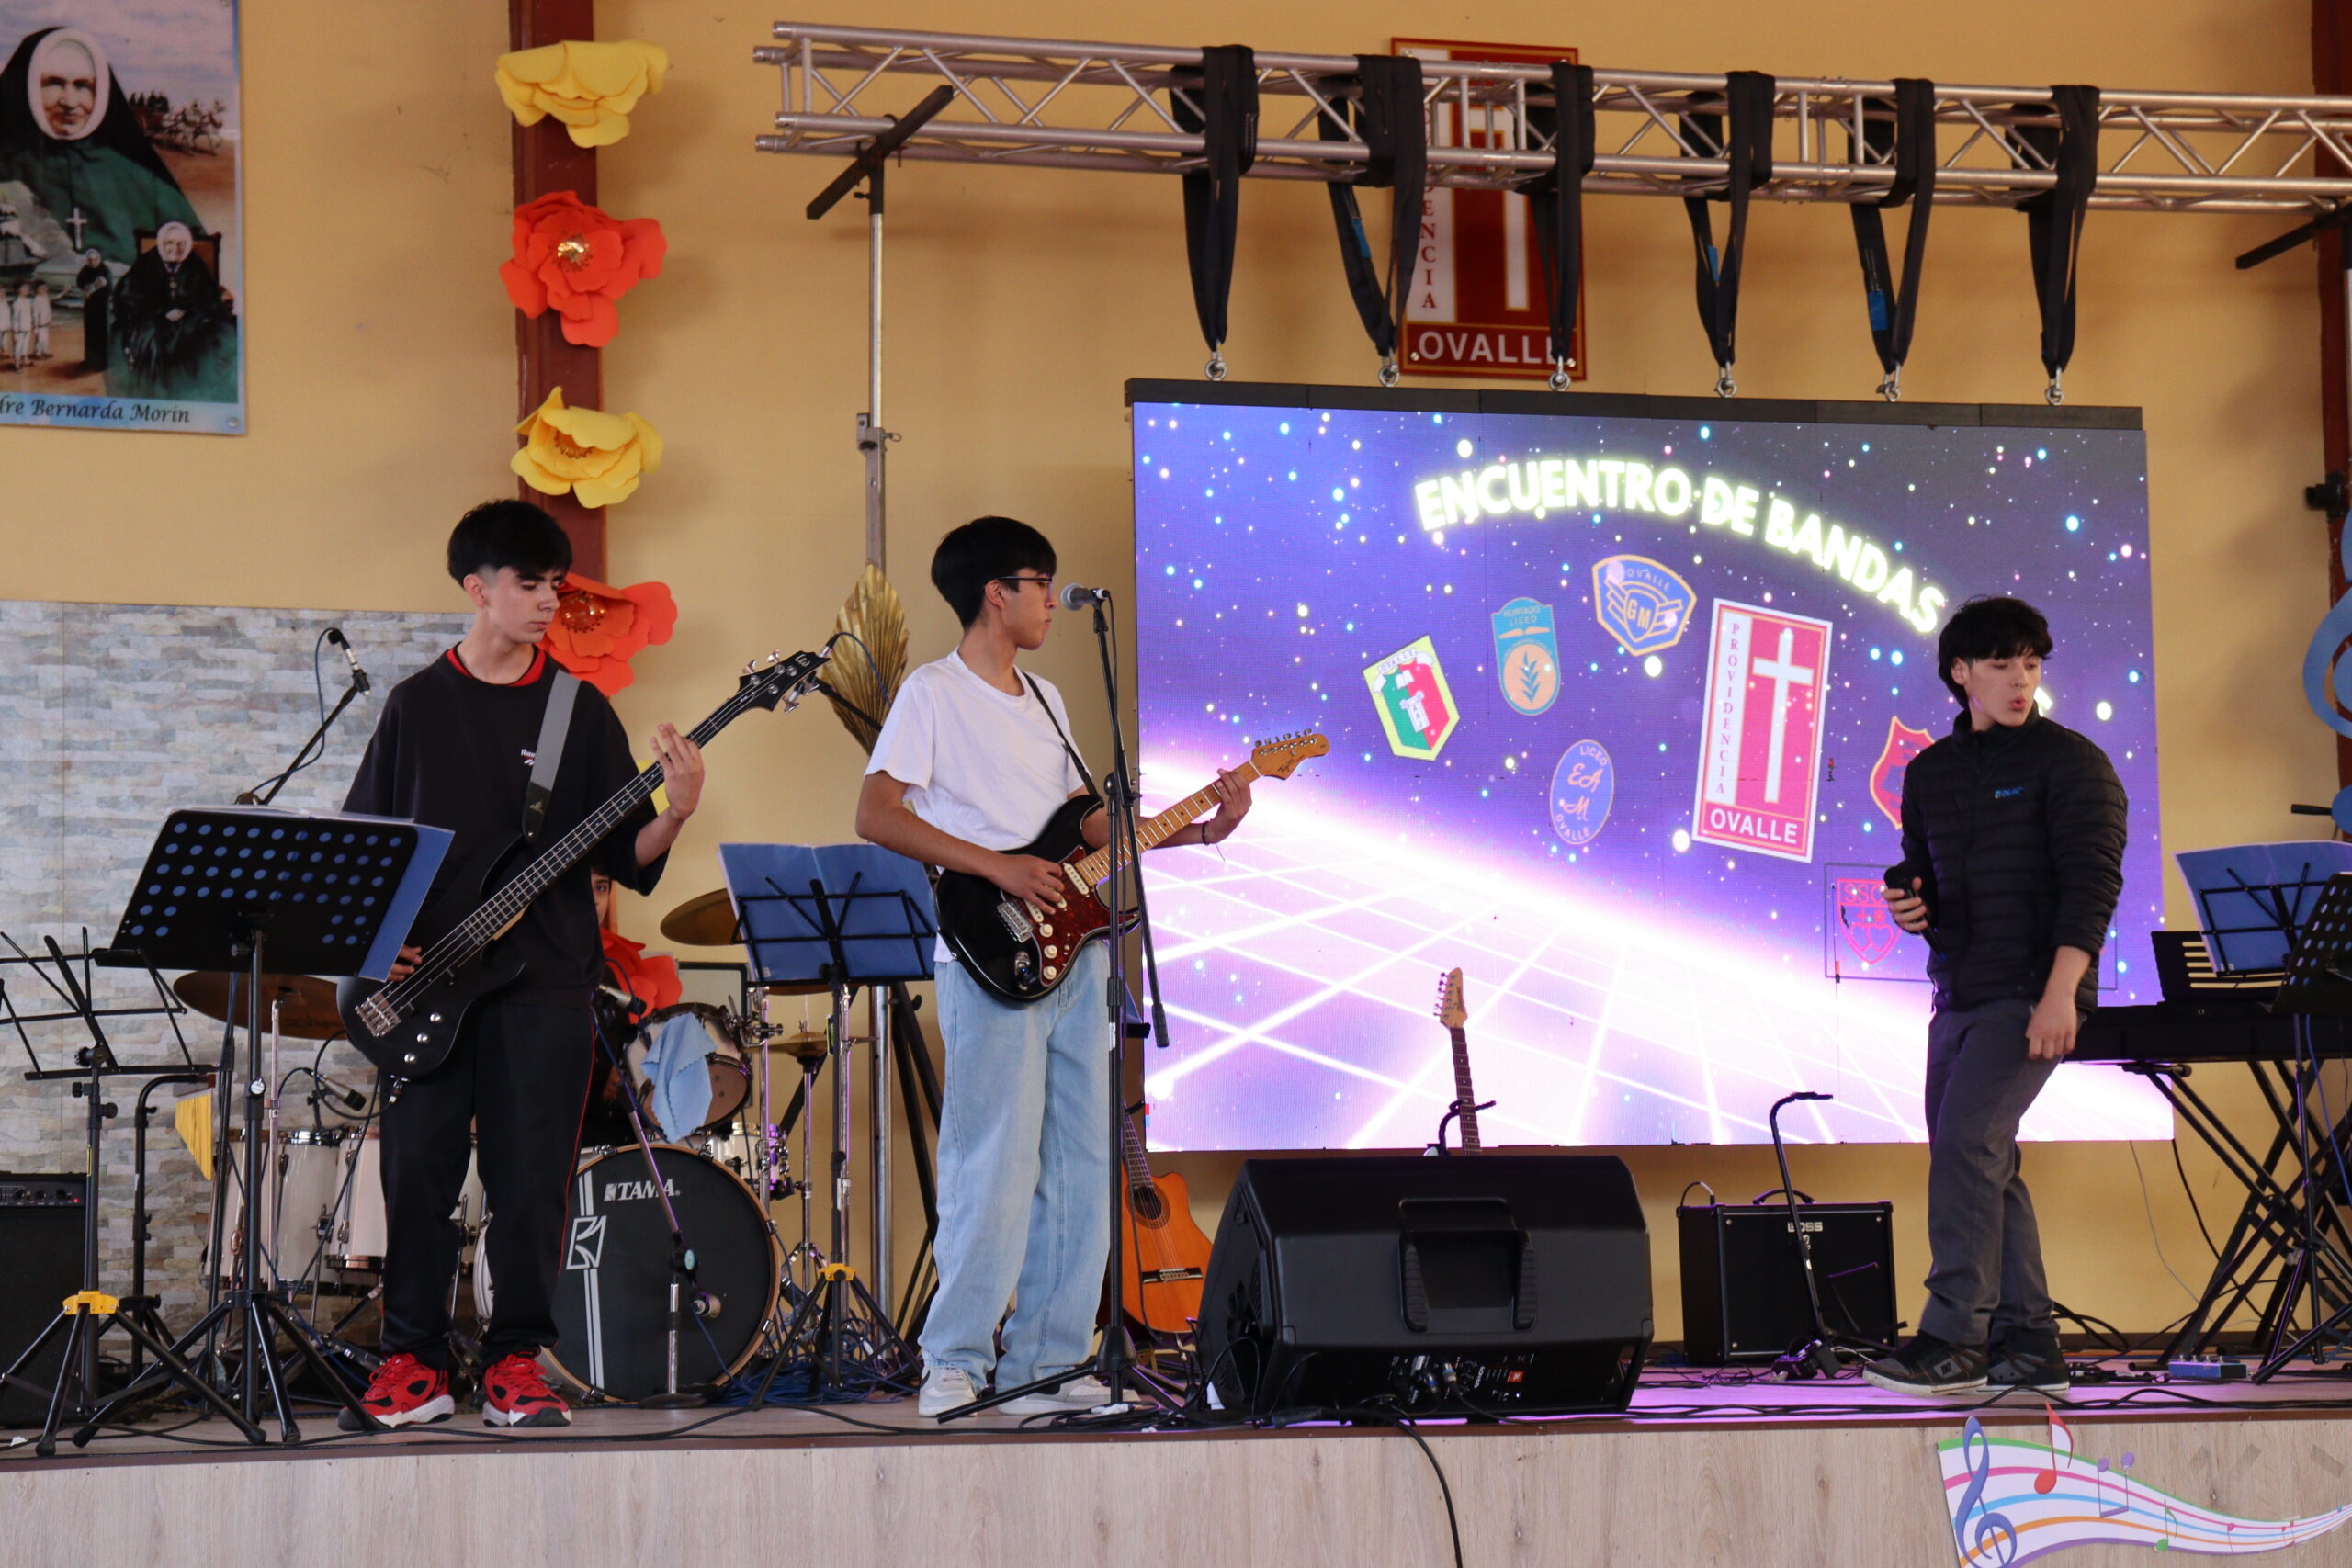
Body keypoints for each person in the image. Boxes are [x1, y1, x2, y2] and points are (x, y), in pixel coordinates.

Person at [856, 516, 1255, 1418]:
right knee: (992, 1164)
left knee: (1081, 1163)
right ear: (994, 592)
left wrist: (1202, 828)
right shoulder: (932, 692)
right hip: (989, 949)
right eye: (1040, 583)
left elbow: (1088, 827)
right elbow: (876, 814)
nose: (1051, 600)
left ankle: (1049, 1364)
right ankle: (954, 1362)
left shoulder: (1046, 699)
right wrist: (997, 867)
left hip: (1077, 952)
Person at [338, 500, 707, 1429]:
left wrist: (678, 809)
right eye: (531, 584)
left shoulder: (579, 711)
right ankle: (414, 1362)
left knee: (532, 1181)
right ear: (478, 588)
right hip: (428, 986)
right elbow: (365, 851)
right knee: (416, 1175)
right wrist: (378, 948)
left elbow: (628, 854)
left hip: (545, 985)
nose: (549, 601)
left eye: (556, 586)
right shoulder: (415, 706)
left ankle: (515, 1361)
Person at [1864, 596, 2127, 1398]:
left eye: (2032, 663)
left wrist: (2062, 995)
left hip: (2032, 992)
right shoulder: (1930, 772)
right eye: (2003, 663)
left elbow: (2092, 887)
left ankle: (1955, 1339)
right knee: (1979, 1154)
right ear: (1961, 672)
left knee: (1969, 1143)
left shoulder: (2072, 763)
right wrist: (1911, 900)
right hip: (1958, 991)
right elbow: (1925, 868)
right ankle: (2030, 1341)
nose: (2021, 680)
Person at [0, 28, 202, 270]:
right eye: (54, 83)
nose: (70, 102)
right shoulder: (6, 168)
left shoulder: (143, 179)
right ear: (26, 85)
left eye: (83, 85)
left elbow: (197, 260)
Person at [109, 219, 234, 400]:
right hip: (152, 317)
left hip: (190, 317)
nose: (175, 248)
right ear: (162, 243)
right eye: (170, 243)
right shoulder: (147, 263)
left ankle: (194, 392)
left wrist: (185, 310)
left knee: (208, 337)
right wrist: (163, 312)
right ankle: (157, 393)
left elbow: (206, 296)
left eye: (181, 243)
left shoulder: (195, 263)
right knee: (154, 340)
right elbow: (129, 295)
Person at [73, 247, 108, 369]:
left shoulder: (104, 270)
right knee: (90, 334)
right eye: (90, 260)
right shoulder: (86, 270)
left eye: (94, 259)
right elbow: (80, 281)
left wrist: (98, 291)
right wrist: (85, 286)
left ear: (99, 259)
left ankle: (103, 363)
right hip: (90, 307)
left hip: (102, 308)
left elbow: (109, 288)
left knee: (101, 335)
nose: (92, 262)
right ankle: (90, 361)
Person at [28, 276, 48, 358]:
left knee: (45, 339)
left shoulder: (45, 298)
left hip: (45, 323)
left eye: (45, 288)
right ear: (37, 290)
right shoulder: (36, 300)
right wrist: (35, 325)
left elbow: (47, 310)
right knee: (39, 340)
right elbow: (35, 314)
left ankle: (44, 351)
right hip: (39, 324)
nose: (44, 290)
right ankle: (37, 353)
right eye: (42, 288)